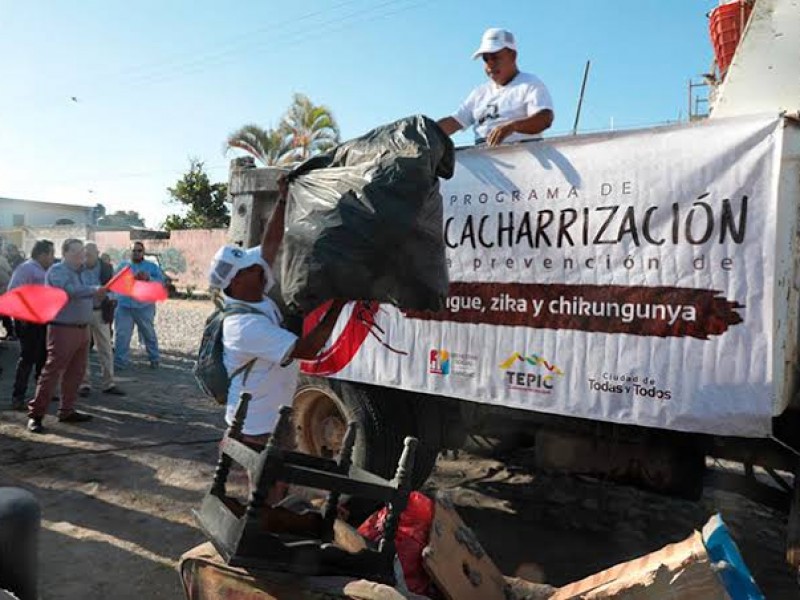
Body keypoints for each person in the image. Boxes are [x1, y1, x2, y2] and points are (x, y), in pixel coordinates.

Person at [208, 178, 346, 446]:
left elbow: (270, 244)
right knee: (266, 486)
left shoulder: (253, 296)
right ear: (235, 282)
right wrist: (339, 302)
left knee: (275, 485)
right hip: (255, 426)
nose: (260, 266)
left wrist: (283, 199)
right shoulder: (243, 325)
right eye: (251, 267)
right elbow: (307, 349)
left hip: (274, 417)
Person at [27, 239, 106, 433]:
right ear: (65, 253)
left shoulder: (84, 273)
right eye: (76, 252)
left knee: (76, 372)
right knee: (52, 372)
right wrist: (96, 291)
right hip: (62, 328)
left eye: (83, 253)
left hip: (82, 329)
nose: (81, 256)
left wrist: (105, 295)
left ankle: (67, 410)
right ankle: (36, 415)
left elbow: (90, 295)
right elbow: (69, 292)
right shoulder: (57, 271)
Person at [437, 27, 554, 146]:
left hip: (522, 159)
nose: (490, 64)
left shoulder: (530, 84)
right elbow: (454, 122)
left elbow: (545, 119)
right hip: (484, 161)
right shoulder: (479, 93)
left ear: (513, 56)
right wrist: (427, 132)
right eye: (485, 59)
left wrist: (512, 127)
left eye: (495, 57)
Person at [8, 240, 56, 411]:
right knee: (28, 358)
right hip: (28, 321)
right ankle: (18, 396)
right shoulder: (26, 269)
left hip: (43, 319)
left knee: (43, 357)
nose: (53, 257)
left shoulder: (46, 270)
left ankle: (41, 393)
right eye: (51, 253)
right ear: (42, 254)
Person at [79, 243, 125, 397]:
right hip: (82, 312)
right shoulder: (77, 268)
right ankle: (84, 383)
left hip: (100, 312)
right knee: (82, 349)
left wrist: (108, 297)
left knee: (105, 347)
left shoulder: (106, 268)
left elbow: (114, 290)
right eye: (84, 254)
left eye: (90, 255)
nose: (87, 258)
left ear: (97, 254)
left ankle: (109, 383)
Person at [113, 241, 164, 370]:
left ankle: (154, 359)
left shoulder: (152, 267)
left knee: (148, 333)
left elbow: (161, 283)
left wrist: (149, 278)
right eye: (134, 250)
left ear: (143, 252)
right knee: (122, 335)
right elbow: (114, 283)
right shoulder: (123, 266)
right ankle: (120, 362)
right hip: (125, 306)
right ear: (129, 252)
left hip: (144, 307)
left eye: (139, 250)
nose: (136, 253)